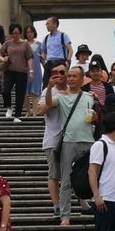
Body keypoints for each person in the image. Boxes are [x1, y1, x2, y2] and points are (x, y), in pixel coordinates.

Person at [37, 66, 94, 226]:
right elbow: (43, 106)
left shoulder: (89, 97)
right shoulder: (60, 95)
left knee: (89, 175)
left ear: (82, 79)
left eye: (70, 75)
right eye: (65, 75)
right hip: (62, 140)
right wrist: (49, 86)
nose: (66, 77)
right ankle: (63, 213)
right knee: (62, 177)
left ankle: (89, 204)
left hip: (87, 139)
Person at [37, 64, 67, 217]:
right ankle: (56, 205)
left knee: (74, 172)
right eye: (56, 72)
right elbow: (40, 110)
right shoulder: (48, 91)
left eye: (63, 72)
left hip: (72, 139)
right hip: (53, 139)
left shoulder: (74, 90)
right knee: (54, 173)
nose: (59, 75)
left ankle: (82, 200)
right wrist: (49, 88)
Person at [0, 25, 34, 122]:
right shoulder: (7, 43)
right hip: (9, 71)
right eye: (14, 33)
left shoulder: (25, 44)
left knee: (20, 94)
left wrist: (31, 71)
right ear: (11, 34)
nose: (16, 35)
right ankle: (9, 107)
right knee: (6, 90)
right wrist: (3, 59)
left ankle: (17, 116)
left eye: (17, 33)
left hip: (22, 72)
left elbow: (29, 58)